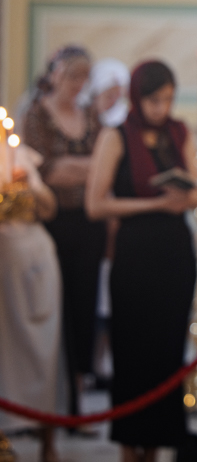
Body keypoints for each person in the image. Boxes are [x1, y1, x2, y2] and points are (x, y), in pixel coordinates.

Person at [85, 61, 197, 462]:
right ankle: (130, 448)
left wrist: (187, 196)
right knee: (133, 353)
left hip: (174, 255)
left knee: (167, 352)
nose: (161, 108)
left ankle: (155, 446)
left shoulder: (178, 131)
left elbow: (195, 191)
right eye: (154, 100)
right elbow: (95, 205)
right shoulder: (115, 137)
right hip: (134, 257)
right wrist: (153, 203)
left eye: (168, 99)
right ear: (137, 97)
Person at [21, 45, 105, 421]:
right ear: (55, 74)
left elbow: (103, 166)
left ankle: (78, 399)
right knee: (56, 308)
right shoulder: (36, 114)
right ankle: (53, 405)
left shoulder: (91, 114)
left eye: (84, 77)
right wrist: (81, 167)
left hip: (90, 223)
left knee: (84, 308)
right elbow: (45, 172)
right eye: (72, 75)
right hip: (52, 222)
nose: (78, 84)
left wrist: (74, 166)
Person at [0, 145, 62, 462]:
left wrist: (26, 188)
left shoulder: (16, 155)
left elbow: (49, 208)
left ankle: (47, 441)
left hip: (33, 260)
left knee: (42, 350)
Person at [83, 58, 131, 129]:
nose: (114, 101)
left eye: (118, 97)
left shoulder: (121, 121)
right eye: (110, 96)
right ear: (95, 95)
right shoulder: (80, 122)